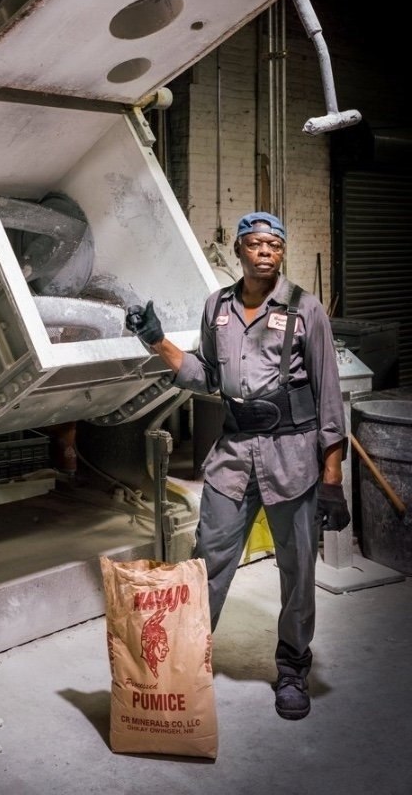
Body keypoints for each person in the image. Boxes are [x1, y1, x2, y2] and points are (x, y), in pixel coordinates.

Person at [125, 211, 349, 721]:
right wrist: (157, 340)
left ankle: (292, 668)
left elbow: (329, 396)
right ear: (240, 251)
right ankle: (184, 658)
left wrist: (332, 478)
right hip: (232, 456)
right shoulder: (218, 306)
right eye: (255, 243)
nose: (265, 252)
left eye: (274, 245)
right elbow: (206, 375)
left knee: (297, 571)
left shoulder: (305, 309)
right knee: (207, 561)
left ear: (282, 252)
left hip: (293, 459)